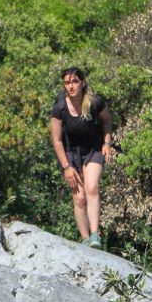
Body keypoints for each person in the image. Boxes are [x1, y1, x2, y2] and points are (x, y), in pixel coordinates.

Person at [50, 66, 114, 248]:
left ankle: (95, 235)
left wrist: (107, 143)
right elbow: (56, 140)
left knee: (91, 187)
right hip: (71, 154)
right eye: (67, 83)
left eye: (75, 82)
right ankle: (86, 240)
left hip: (94, 149)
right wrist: (66, 167)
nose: (71, 86)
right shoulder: (60, 108)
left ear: (82, 83)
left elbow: (107, 120)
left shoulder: (94, 102)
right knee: (79, 198)